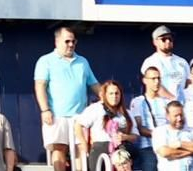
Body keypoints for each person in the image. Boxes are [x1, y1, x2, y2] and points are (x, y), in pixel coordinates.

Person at [37, 25, 101, 171]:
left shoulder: (83, 62)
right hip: (56, 115)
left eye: (73, 41)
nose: (71, 44)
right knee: (58, 150)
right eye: (67, 41)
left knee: (81, 150)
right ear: (57, 41)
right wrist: (45, 110)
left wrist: (107, 100)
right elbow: (40, 85)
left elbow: (94, 84)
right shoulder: (45, 61)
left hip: (80, 117)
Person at [77, 80, 136, 171]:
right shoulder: (96, 108)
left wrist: (125, 137)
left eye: (117, 93)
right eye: (111, 93)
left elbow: (135, 136)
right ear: (105, 95)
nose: (114, 96)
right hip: (101, 147)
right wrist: (83, 143)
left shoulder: (126, 113)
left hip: (121, 148)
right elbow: (78, 125)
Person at [133, 68, 174, 171]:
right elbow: (140, 128)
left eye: (159, 78)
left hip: (167, 145)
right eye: (153, 78)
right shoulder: (138, 101)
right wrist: (160, 135)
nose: (157, 82)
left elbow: (172, 124)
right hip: (148, 147)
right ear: (145, 80)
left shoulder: (166, 102)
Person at [154, 104, 193, 171]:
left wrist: (180, 144)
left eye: (181, 115)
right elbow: (165, 152)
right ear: (167, 116)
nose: (179, 118)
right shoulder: (160, 131)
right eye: (176, 116)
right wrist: (191, 151)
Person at [146, 32, 193, 104]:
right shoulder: (150, 61)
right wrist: (173, 99)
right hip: (159, 105)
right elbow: (152, 85)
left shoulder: (182, 61)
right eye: (164, 39)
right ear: (155, 42)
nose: (168, 41)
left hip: (182, 106)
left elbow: (188, 83)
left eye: (170, 39)